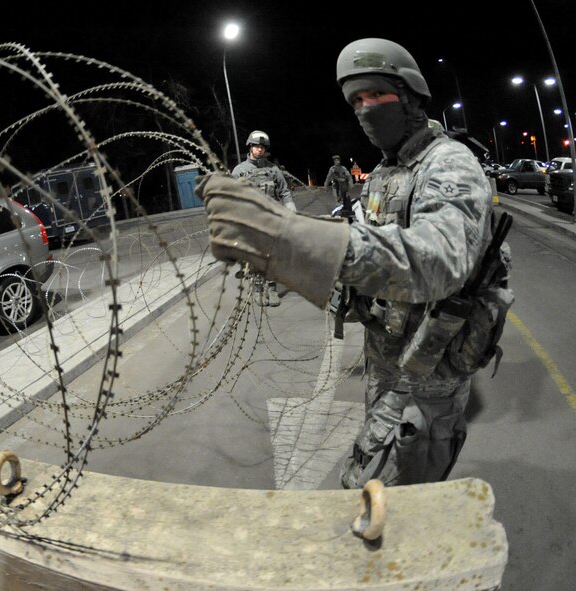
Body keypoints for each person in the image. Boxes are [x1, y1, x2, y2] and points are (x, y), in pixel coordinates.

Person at [196, 38, 497, 489]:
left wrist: (298, 241)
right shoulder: (384, 174)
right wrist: (284, 255)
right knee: (370, 486)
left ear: (411, 94)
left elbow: (442, 260)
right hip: (386, 361)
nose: (365, 109)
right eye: (356, 100)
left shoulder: (448, 163)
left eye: (376, 95)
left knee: (386, 497)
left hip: (428, 377)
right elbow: (367, 251)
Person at [231, 130, 296, 307]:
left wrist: (290, 205)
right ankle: (257, 289)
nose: (259, 150)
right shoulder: (239, 171)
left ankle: (272, 289)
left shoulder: (273, 170)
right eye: (256, 146)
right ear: (250, 147)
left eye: (262, 147)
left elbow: (284, 191)